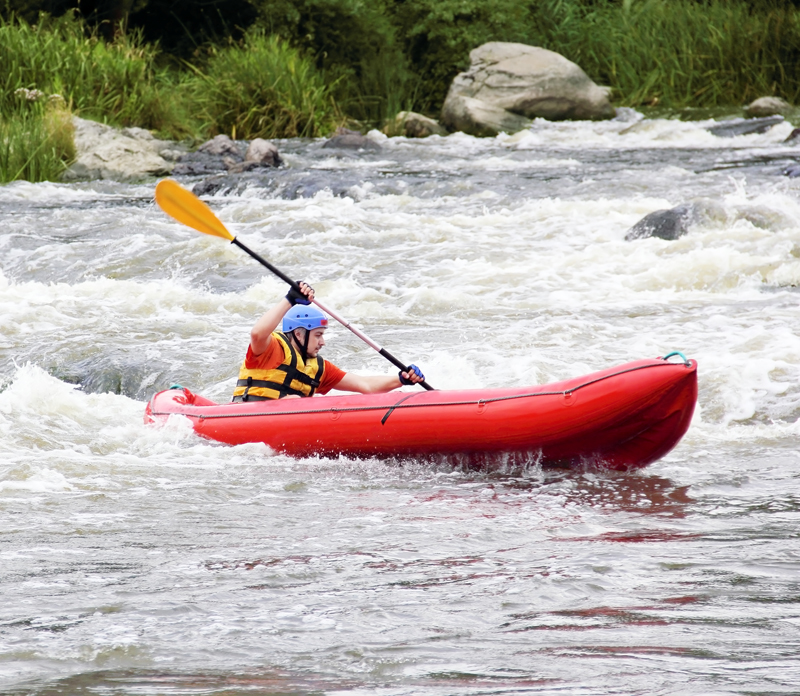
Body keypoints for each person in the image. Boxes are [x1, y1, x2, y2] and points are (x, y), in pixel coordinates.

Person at [232, 281, 425, 402]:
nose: (322, 342)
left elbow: (364, 385)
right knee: (292, 400)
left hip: (284, 426)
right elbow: (257, 334)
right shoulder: (271, 348)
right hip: (246, 417)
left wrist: (401, 379)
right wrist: (290, 299)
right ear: (298, 335)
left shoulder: (318, 368)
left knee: (295, 400)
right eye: (318, 335)